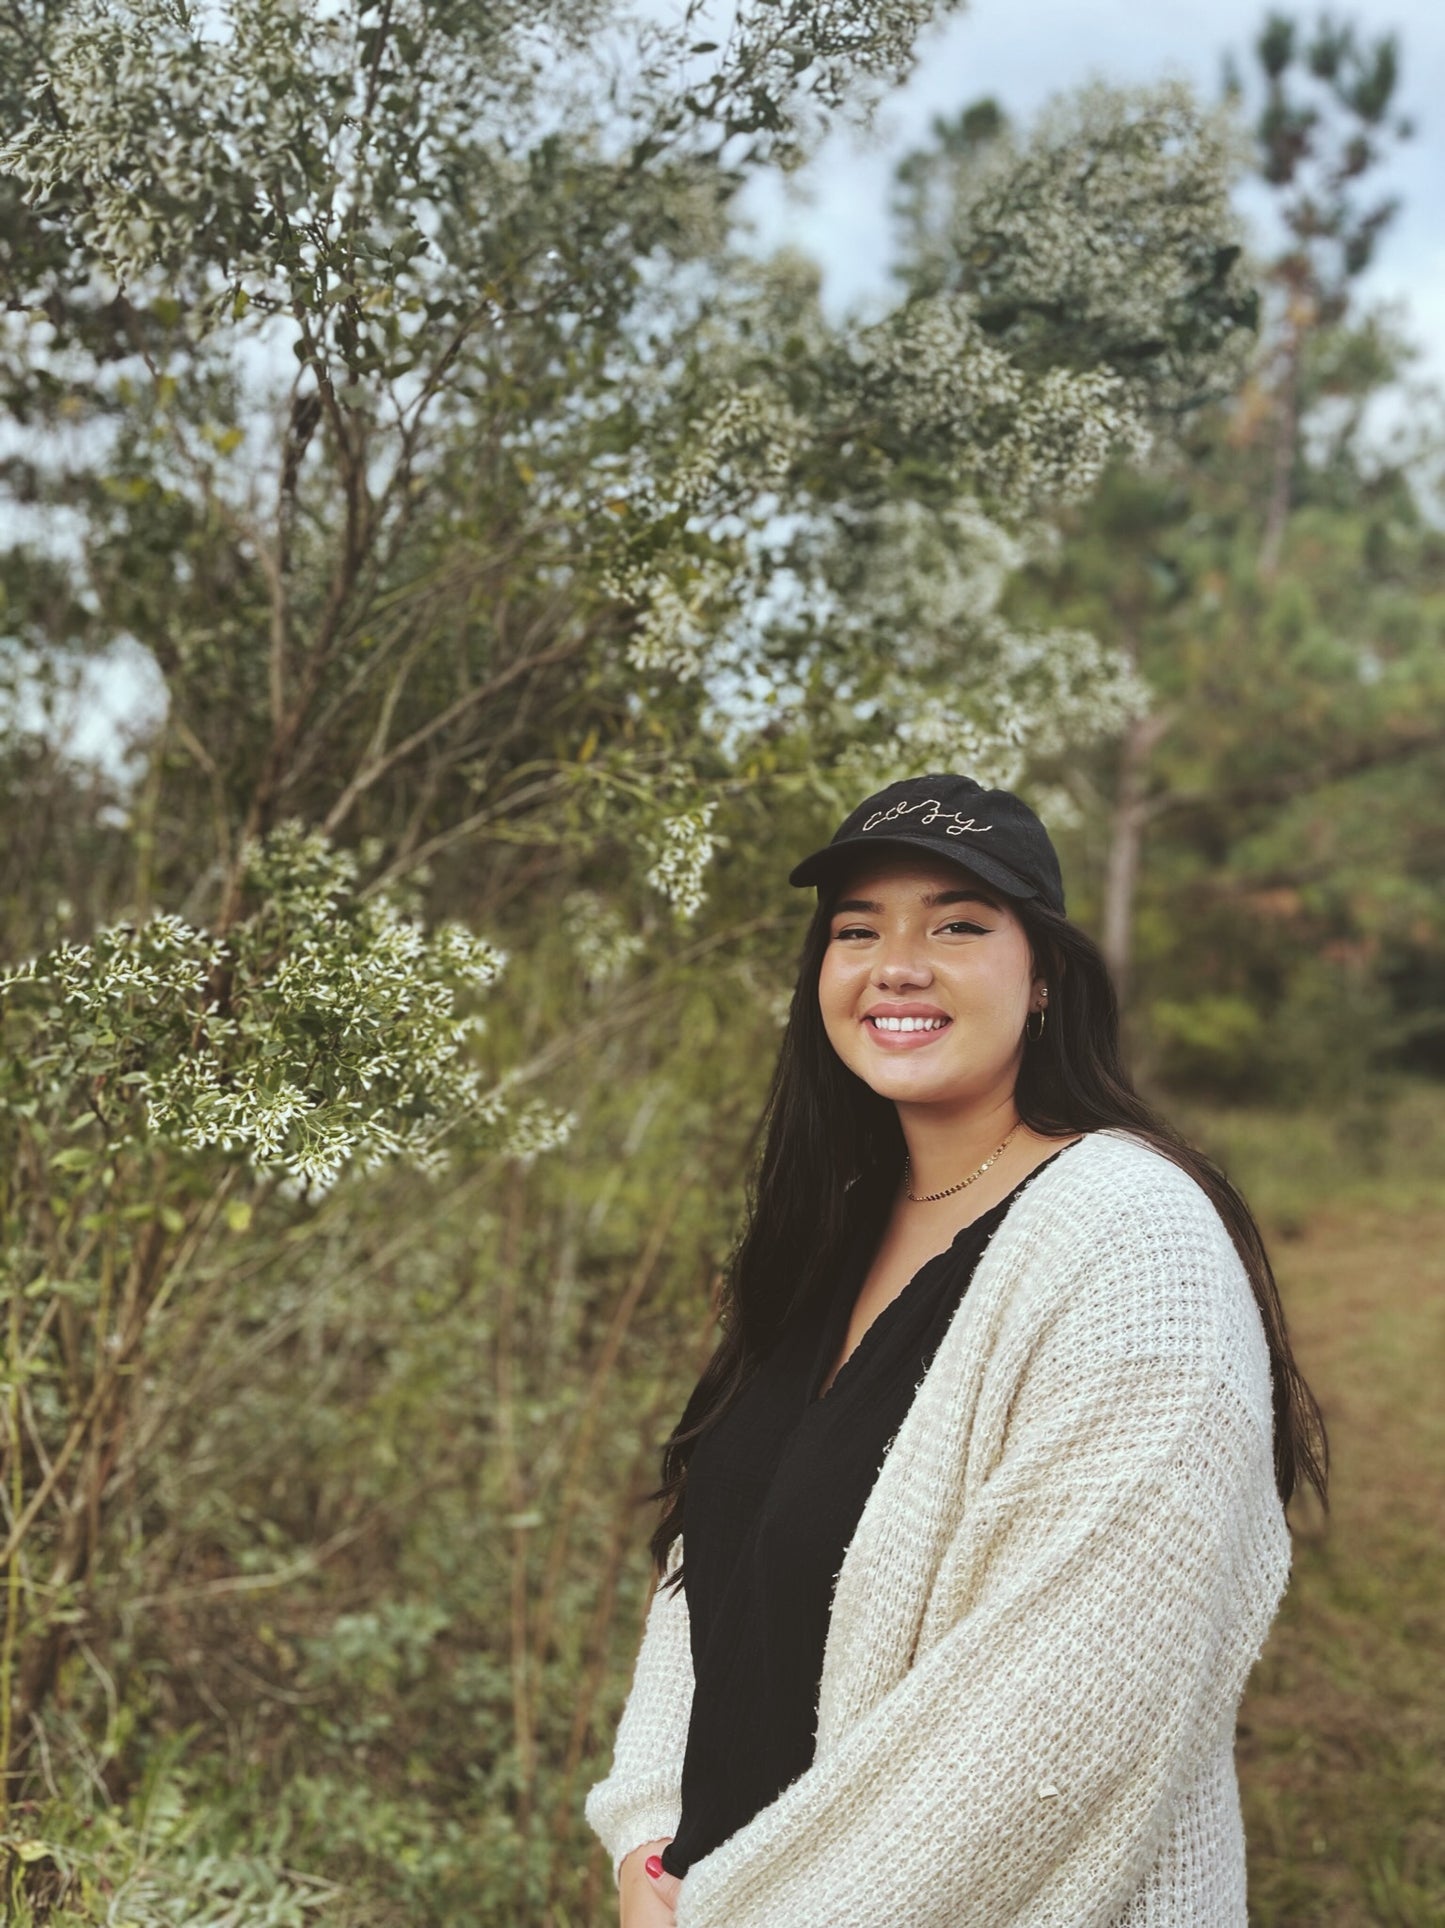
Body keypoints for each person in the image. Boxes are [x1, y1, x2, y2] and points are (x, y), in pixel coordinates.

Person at [584, 772, 1327, 1928]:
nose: (897, 962)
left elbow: (1064, 1716)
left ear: (1043, 980)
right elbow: (708, 1567)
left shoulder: (1134, 1244)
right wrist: (647, 1841)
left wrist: (741, 1909)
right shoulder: (825, 1227)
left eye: (957, 923)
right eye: (855, 929)